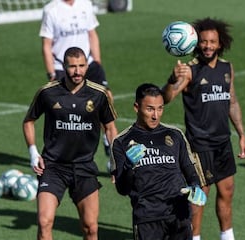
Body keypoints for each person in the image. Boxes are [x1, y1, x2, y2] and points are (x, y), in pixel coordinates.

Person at [162, 17, 245, 240]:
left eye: (212, 42)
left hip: (223, 143)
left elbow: (232, 102)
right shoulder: (190, 70)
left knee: (227, 191)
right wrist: (173, 79)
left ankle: (227, 236)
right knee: (199, 198)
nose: (208, 46)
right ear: (196, 43)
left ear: (220, 43)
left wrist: (241, 134)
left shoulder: (227, 68)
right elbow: (167, 97)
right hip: (199, 145)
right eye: (203, 41)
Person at [23, 47, 118, 240]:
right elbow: (28, 121)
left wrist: (116, 160)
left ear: (87, 66)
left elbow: (109, 127)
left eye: (82, 66)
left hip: (84, 167)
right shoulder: (48, 92)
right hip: (53, 167)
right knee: (44, 222)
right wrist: (33, 152)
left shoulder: (98, 94)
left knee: (90, 227)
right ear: (64, 66)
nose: (77, 71)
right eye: (72, 66)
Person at [110, 83, 207, 240]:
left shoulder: (175, 135)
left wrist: (195, 185)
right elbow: (122, 189)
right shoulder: (121, 141)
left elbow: (189, 168)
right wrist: (129, 165)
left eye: (160, 108)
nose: (156, 115)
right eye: (150, 109)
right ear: (136, 107)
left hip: (179, 214)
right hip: (148, 218)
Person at [39, 0, 114, 156]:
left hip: (88, 63)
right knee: (68, 112)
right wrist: (51, 74)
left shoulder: (85, 4)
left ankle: (110, 145)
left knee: (106, 97)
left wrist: (97, 62)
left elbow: (92, 34)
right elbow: (46, 44)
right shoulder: (51, 10)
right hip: (63, 67)